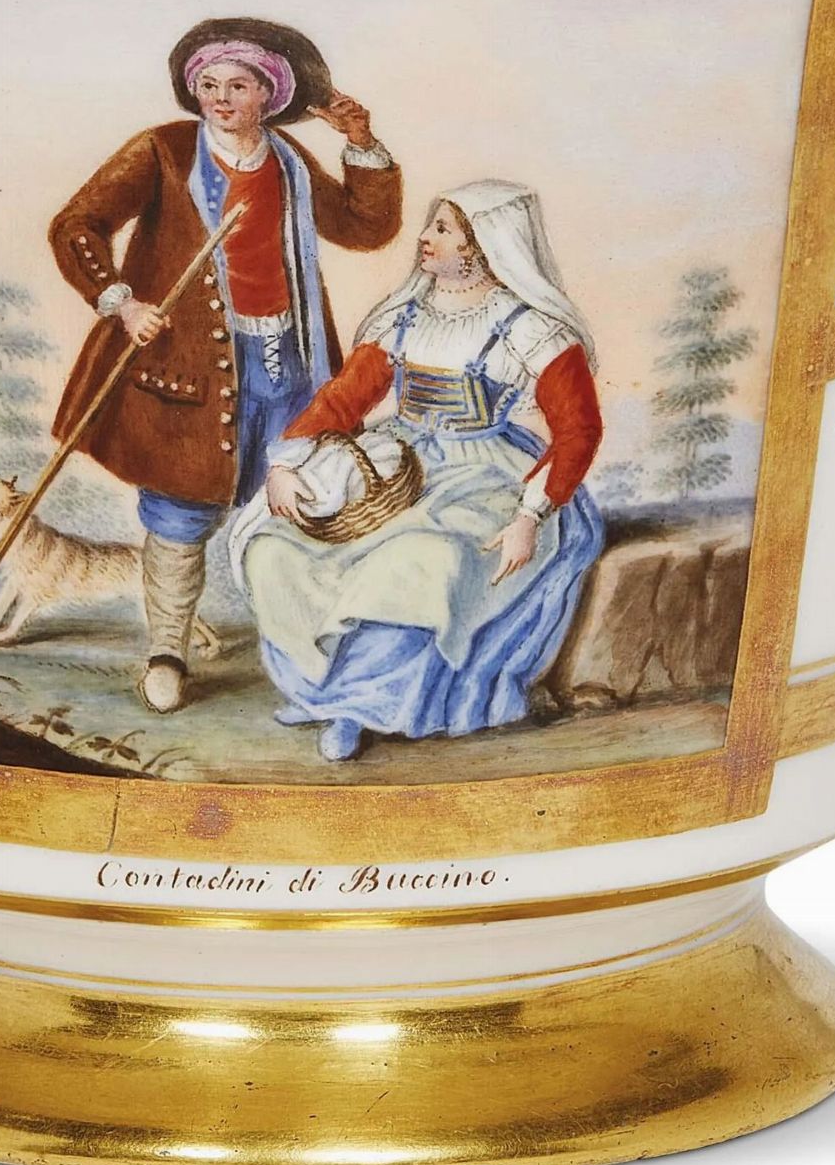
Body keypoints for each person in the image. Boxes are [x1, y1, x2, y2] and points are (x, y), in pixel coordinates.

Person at [47, 16, 404, 712]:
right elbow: (76, 225)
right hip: (189, 369)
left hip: (290, 360)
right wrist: (121, 302)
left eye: (237, 86)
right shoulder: (164, 150)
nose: (219, 98)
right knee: (180, 511)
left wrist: (361, 144)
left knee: (302, 498)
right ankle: (166, 651)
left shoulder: (289, 159)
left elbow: (366, 229)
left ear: (269, 95)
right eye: (208, 85)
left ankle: (307, 649)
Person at [231, 181, 606, 762]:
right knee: (275, 546)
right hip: (398, 464)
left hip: (487, 476)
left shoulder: (530, 329)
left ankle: (361, 707)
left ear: (480, 247)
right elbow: (344, 399)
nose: (424, 238)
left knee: (424, 561)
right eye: (431, 225)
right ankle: (319, 690)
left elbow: (579, 431)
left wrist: (531, 515)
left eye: (442, 229)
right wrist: (285, 463)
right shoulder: (405, 317)